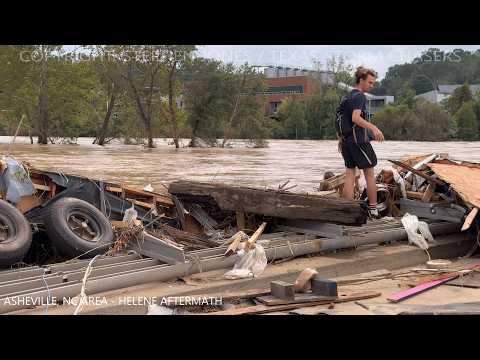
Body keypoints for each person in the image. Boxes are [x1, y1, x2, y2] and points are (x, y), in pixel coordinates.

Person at [338, 66, 385, 218]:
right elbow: (355, 118)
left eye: (373, 83)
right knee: (369, 174)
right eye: (370, 83)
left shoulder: (347, 96)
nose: (372, 86)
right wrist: (374, 128)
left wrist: (341, 139)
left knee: (350, 174)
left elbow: (342, 119)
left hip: (346, 141)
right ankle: (373, 210)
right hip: (359, 141)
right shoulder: (359, 96)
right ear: (361, 80)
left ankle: (347, 210)